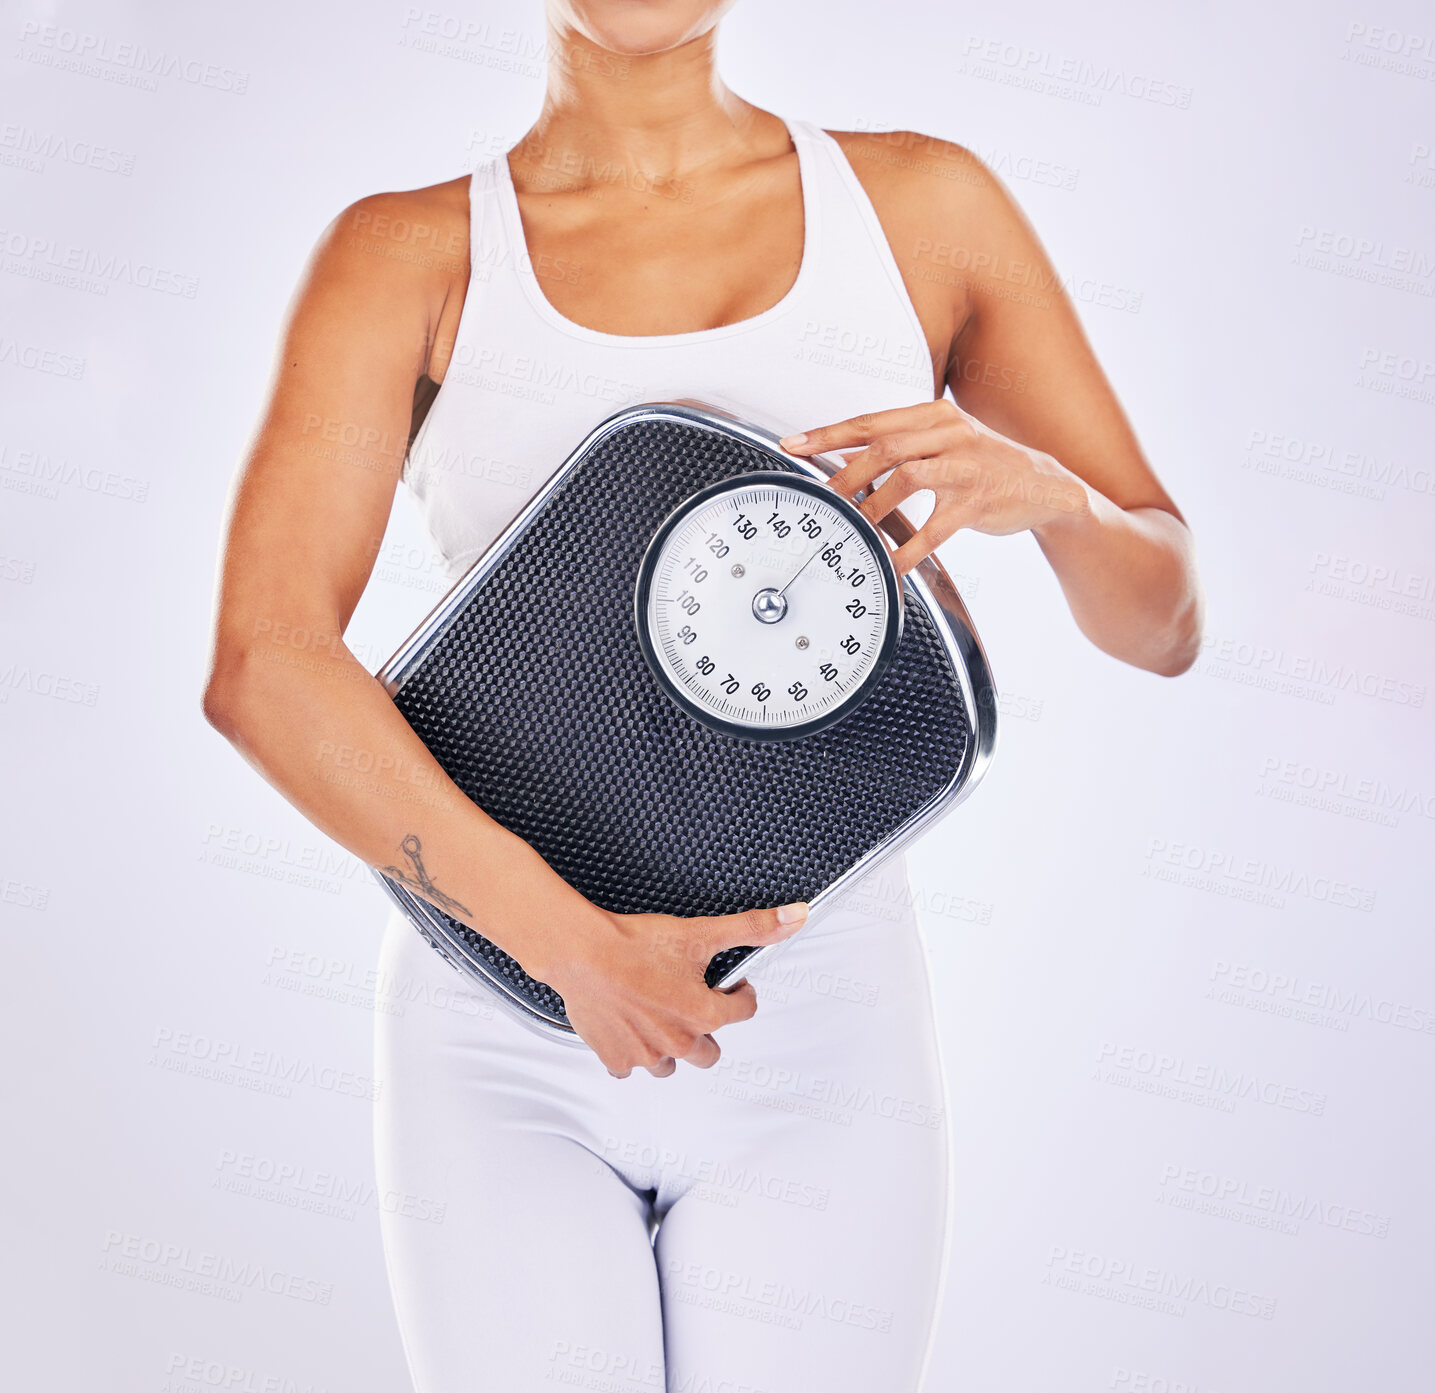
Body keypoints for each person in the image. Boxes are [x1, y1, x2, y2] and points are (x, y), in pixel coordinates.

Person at [202, 2, 1203, 1387]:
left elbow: (1165, 622)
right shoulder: (408, 255)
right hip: (498, 1023)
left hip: (821, 1041)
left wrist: (1055, 499)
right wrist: (569, 947)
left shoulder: (924, 208)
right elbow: (265, 662)